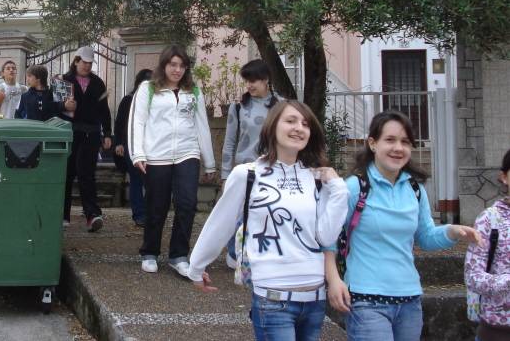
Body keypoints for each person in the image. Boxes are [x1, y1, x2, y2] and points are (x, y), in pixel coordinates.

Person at [188, 100, 348, 340]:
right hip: (272, 298)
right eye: (291, 121)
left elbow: (325, 237)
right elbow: (220, 223)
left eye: (305, 124)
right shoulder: (248, 174)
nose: (299, 128)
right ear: (272, 127)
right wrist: (197, 267)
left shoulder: (316, 178)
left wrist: (339, 190)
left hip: (315, 299)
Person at [325, 110, 480, 341]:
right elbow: (328, 238)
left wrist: (452, 231)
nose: (398, 148)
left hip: (410, 300)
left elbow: (426, 237)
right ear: (373, 143)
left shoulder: (415, 190)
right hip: (366, 300)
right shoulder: (355, 187)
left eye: (405, 142)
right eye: (390, 140)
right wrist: (334, 280)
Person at [128, 45, 217, 276]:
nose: (177, 70)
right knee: (156, 206)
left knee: (187, 203)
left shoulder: (193, 91)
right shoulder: (148, 88)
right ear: (164, 65)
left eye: (182, 66)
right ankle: (150, 252)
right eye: (173, 65)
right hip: (157, 155)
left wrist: (209, 162)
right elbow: (137, 122)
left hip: (187, 153)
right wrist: (138, 153)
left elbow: (202, 126)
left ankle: (179, 255)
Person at [221, 59, 282, 267]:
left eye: (253, 80)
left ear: (266, 80)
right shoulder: (238, 107)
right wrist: (225, 174)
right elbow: (229, 142)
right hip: (245, 171)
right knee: (239, 214)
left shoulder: (282, 106)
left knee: (269, 214)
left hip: (274, 169)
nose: (249, 85)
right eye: (246, 81)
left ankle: (263, 253)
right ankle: (235, 252)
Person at [61, 46, 112, 232]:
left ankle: (92, 215)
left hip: (91, 133)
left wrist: (107, 133)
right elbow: (54, 106)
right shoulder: (64, 81)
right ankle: (62, 215)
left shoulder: (98, 83)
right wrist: (64, 106)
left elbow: (104, 110)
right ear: (76, 61)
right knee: (66, 173)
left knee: (87, 174)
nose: (87, 66)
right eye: (84, 62)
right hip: (69, 132)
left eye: (90, 63)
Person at [465, 148, 510, 341]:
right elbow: (473, 276)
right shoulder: (489, 219)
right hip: (497, 332)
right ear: (504, 177)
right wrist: (507, 281)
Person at [113, 68, 153, 227]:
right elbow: (120, 123)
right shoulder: (128, 100)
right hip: (131, 145)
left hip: (151, 146)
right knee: (136, 179)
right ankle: (139, 214)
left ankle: (149, 212)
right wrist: (119, 143)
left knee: (150, 181)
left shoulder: (156, 101)